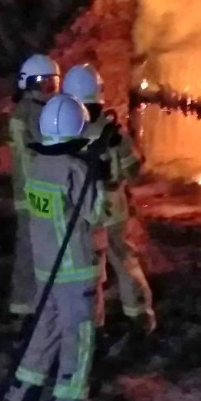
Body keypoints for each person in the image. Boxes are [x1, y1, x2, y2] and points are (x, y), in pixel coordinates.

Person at [1, 93, 110, 401]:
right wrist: (100, 174)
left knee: (42, 335)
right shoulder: (76, 170)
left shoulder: (36, 166)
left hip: (46, 270)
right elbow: (97, 215)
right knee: (77, 343)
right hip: (75, 272)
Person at [62, 63, 156, 334]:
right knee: (124, 258)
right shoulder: (115, 134)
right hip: (113, 208)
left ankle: (92, 323)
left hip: (81, 209)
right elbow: (134, 170)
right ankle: (139, 314)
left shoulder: (68, 130)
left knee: (88, 268)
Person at [8, 54, 60, 318]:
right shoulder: (30, 112)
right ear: (28, 83)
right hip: (35, 193)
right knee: (32, 251)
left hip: (36, 191)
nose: (47, 87)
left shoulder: (34, 110)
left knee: (35, 249)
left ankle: (32, 307)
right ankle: (26, 310)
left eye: (51, 82)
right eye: (42, 82)